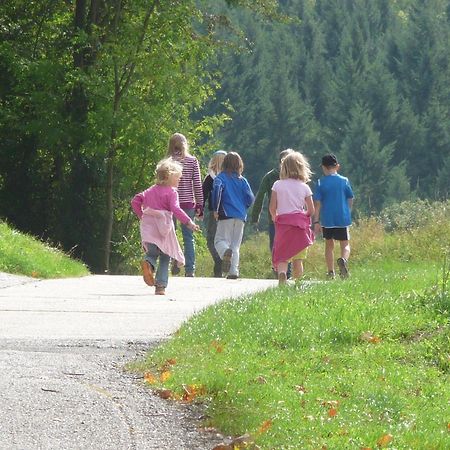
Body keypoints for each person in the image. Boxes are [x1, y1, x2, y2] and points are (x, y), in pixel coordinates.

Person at [131, 157, 199, 295]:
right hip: (164, 229)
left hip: (149, 228)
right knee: (165, 255)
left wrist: (142, 215)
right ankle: (160, 286)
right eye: (178, 177)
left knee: (151, 253)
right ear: (169, 176)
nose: (180, 180)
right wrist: (189, 222)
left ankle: (148, 264)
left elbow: (135, 201)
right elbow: (176, 209)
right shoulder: (172, 192)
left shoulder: (150, 190)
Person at [269, 151, 315, 286]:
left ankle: (282, 274)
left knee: (282, 256)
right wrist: (303, 216)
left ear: (284, 168)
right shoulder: (305, 187)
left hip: (283, 225)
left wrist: (275, 217)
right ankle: (298, 283)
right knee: (298, 259)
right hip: (299, 227)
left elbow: (272, 206)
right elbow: (311, 210)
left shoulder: (277, 184)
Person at [212, 152, 255, 279]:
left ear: (224, 163)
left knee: (220, 240)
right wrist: (243, 208)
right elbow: (250, 198)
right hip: (241, 216)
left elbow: (217, 192)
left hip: (226, 214)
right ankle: (233, 271)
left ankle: (225, 252)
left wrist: (216, 209)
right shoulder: (243, 180)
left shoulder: (220, 178)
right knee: (235, 245)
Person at [166, 133, 203, 277]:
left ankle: (173, 261)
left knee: (170, 234)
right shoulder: (192, 161)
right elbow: (197, 185)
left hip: (169, 203)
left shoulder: (168, 162)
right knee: (188, 237)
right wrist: (200, 205)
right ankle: (190, 269)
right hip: (188, 203)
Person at [312, 153, 354, 279]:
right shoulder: (344, 181)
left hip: (327, 219)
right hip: (342, 217)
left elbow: (318, 204)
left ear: (323, 167)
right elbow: (350, 197)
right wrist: (348, 211)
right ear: (337, 167)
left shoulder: (320, 182)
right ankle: (344, 260)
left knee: (329, 246)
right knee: (345, 244)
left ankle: (331, 272)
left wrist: (316, 221)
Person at [251, 149, 294, 253]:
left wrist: (255, 217)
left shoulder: (270, 176)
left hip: (275, 217)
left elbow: (260, 197)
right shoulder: (297, 177)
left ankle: (279, 267)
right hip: (291, 217)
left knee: (275, 245)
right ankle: (284, 268)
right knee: (289, 245)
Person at [202, 150, 227, 277]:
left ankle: (219, 261)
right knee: (225, 240)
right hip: (229, 213)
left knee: (211, 240)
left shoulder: (210, 178)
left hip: (214, 213)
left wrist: (199, 211)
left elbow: (203, 196)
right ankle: (226, 264)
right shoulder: (231, 177)